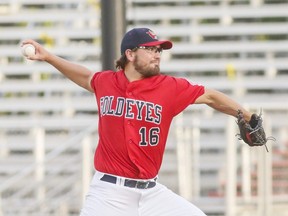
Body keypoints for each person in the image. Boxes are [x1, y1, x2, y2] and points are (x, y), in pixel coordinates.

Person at [22, 27, 253, 216]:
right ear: (130, 54)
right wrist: (49, 57)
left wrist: (247, 115)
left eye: (159, 50)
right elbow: (85, 76)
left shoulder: (169, 87)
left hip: (152, 193)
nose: (157, 54)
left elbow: (210, 96)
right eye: (150, 49)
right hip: (109, 193)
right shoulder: (106, 82)